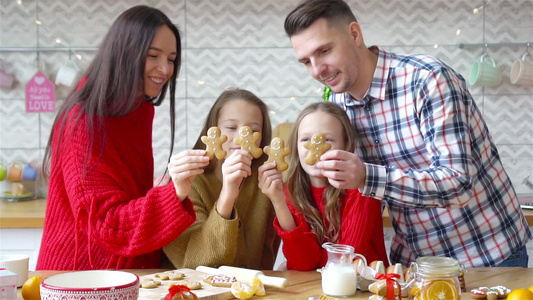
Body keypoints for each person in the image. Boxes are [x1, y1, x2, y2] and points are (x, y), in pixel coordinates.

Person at [284, 0, 531, 268]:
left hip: (486, 256)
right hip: (415, 264)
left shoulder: (428, 80)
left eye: (324, 51)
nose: (317, 70)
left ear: (354, 34)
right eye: (306, 61)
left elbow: (458, 185)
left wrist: (366, 175)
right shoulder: (339, 105)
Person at [37, 5, 198, 270]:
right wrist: (174, 192)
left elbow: (122, 196)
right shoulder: (82, 120)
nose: (165, 69)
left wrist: (160, 189)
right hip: (79, 276)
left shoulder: (138, 109)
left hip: (127, 271)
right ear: (125, 53)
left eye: (171, 58)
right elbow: (107, 224)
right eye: (153, 55)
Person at [258, 102, 389, 271]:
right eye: (306, 139)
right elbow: (303, 264)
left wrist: (294, 265)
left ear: (345, 145)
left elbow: (344, 262)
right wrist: (279, 203)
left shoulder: (361, 189)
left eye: (327, 140)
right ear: (296, 147)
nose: (316, 149)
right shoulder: (288, 192)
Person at [163, 88, 280, 270]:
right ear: (213, 131)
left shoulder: (266, 182)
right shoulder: (188, 182)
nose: (241, 138)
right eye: (231, 127)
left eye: (252, 130)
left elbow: (267, 255)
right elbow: (197, 264)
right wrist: (227, 195)